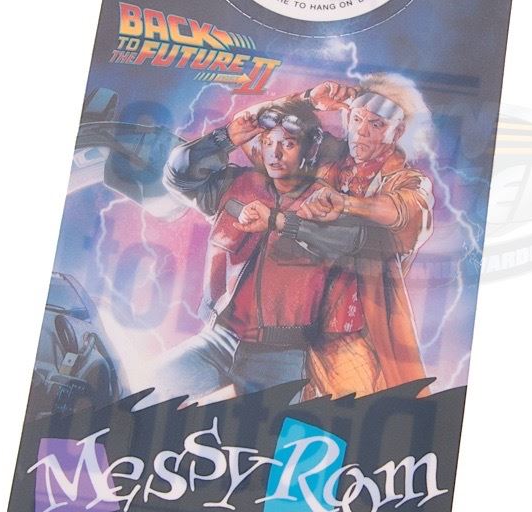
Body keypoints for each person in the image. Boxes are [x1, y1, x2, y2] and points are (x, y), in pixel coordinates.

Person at [140, 98, 367, 406]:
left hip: (282, 356)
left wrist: (278, 222)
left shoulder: (326, 202)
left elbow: (351, 240)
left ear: (309, 149)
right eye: (268, 142)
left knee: (254, 427)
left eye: (288, 144)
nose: (275, 153)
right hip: (220, 340)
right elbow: (177, 174)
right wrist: (225, 138)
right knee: (146, 386)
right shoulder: (235, 184)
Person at [266, 74, 435, 397]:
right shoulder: (327, 159)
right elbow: (264, 124)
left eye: (376, 124)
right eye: (357, 119)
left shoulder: (406, 180)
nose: (362, 131)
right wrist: (309, 98)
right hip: (295, 320)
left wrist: (346, 204)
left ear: (397, 131)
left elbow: (404, 210)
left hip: (351, 328)